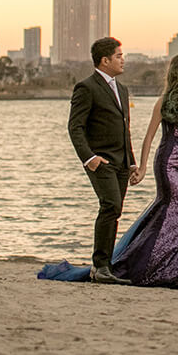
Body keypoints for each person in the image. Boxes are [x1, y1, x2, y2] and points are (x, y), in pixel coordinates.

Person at [109, 53, 178, 290]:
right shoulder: (163, 102)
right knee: (174, 209)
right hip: (168, 163)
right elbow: (149, 136)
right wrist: (141, 168)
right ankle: (149, 266)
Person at [67, 36, 137, 285]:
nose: (122, 60)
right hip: (101, 160)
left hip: (121, 162)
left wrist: (131, 162)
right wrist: (89, 158)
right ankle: (100, 266)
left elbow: (124, 128)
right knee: (110, 205)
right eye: (118, 56)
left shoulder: (123, 89)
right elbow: (75, 127)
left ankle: (105, 265)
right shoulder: (86, 87)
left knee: (115, 210)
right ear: (105, 60)